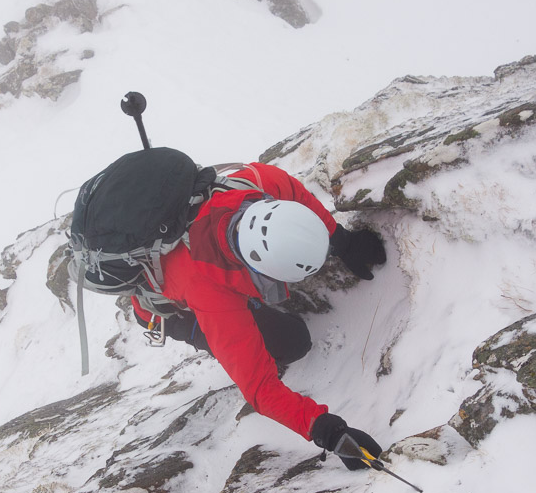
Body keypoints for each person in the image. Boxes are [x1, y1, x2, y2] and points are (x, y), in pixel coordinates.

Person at [130, 161, 390, 469]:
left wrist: (342, 241)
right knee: (292, 342)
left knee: (282, 333)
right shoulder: (211, 294)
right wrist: (327, 431)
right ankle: (196, 331)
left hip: (204, 266)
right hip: (167, 312)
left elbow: (297, 194)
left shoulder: (259, 182)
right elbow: (260, 389)